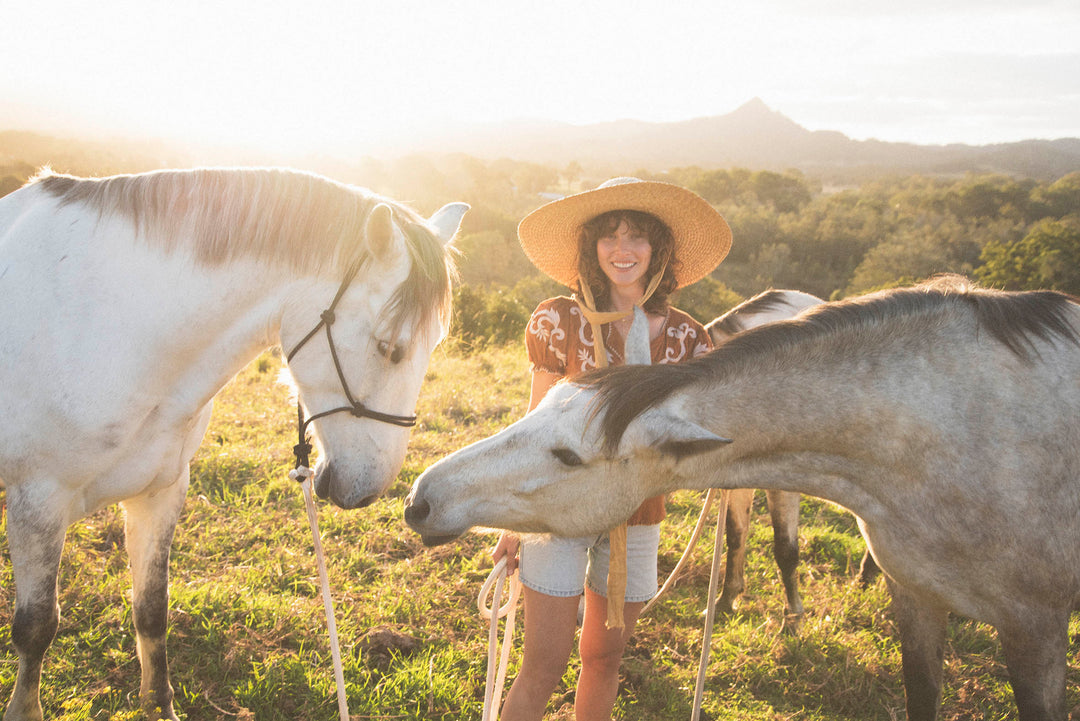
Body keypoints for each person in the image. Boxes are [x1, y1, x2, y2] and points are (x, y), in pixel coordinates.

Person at [492, 177, 732, 720]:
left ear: (659, 251)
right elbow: (535, 426)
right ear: (591, 248)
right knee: (544, 664)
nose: (623, 250)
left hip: (638, 515)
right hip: (557, 510)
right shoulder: (561, 320)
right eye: (610, 237)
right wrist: (514, 517)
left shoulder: (688, 341)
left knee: (604, 658)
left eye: (638, 238)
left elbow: (690, 433)